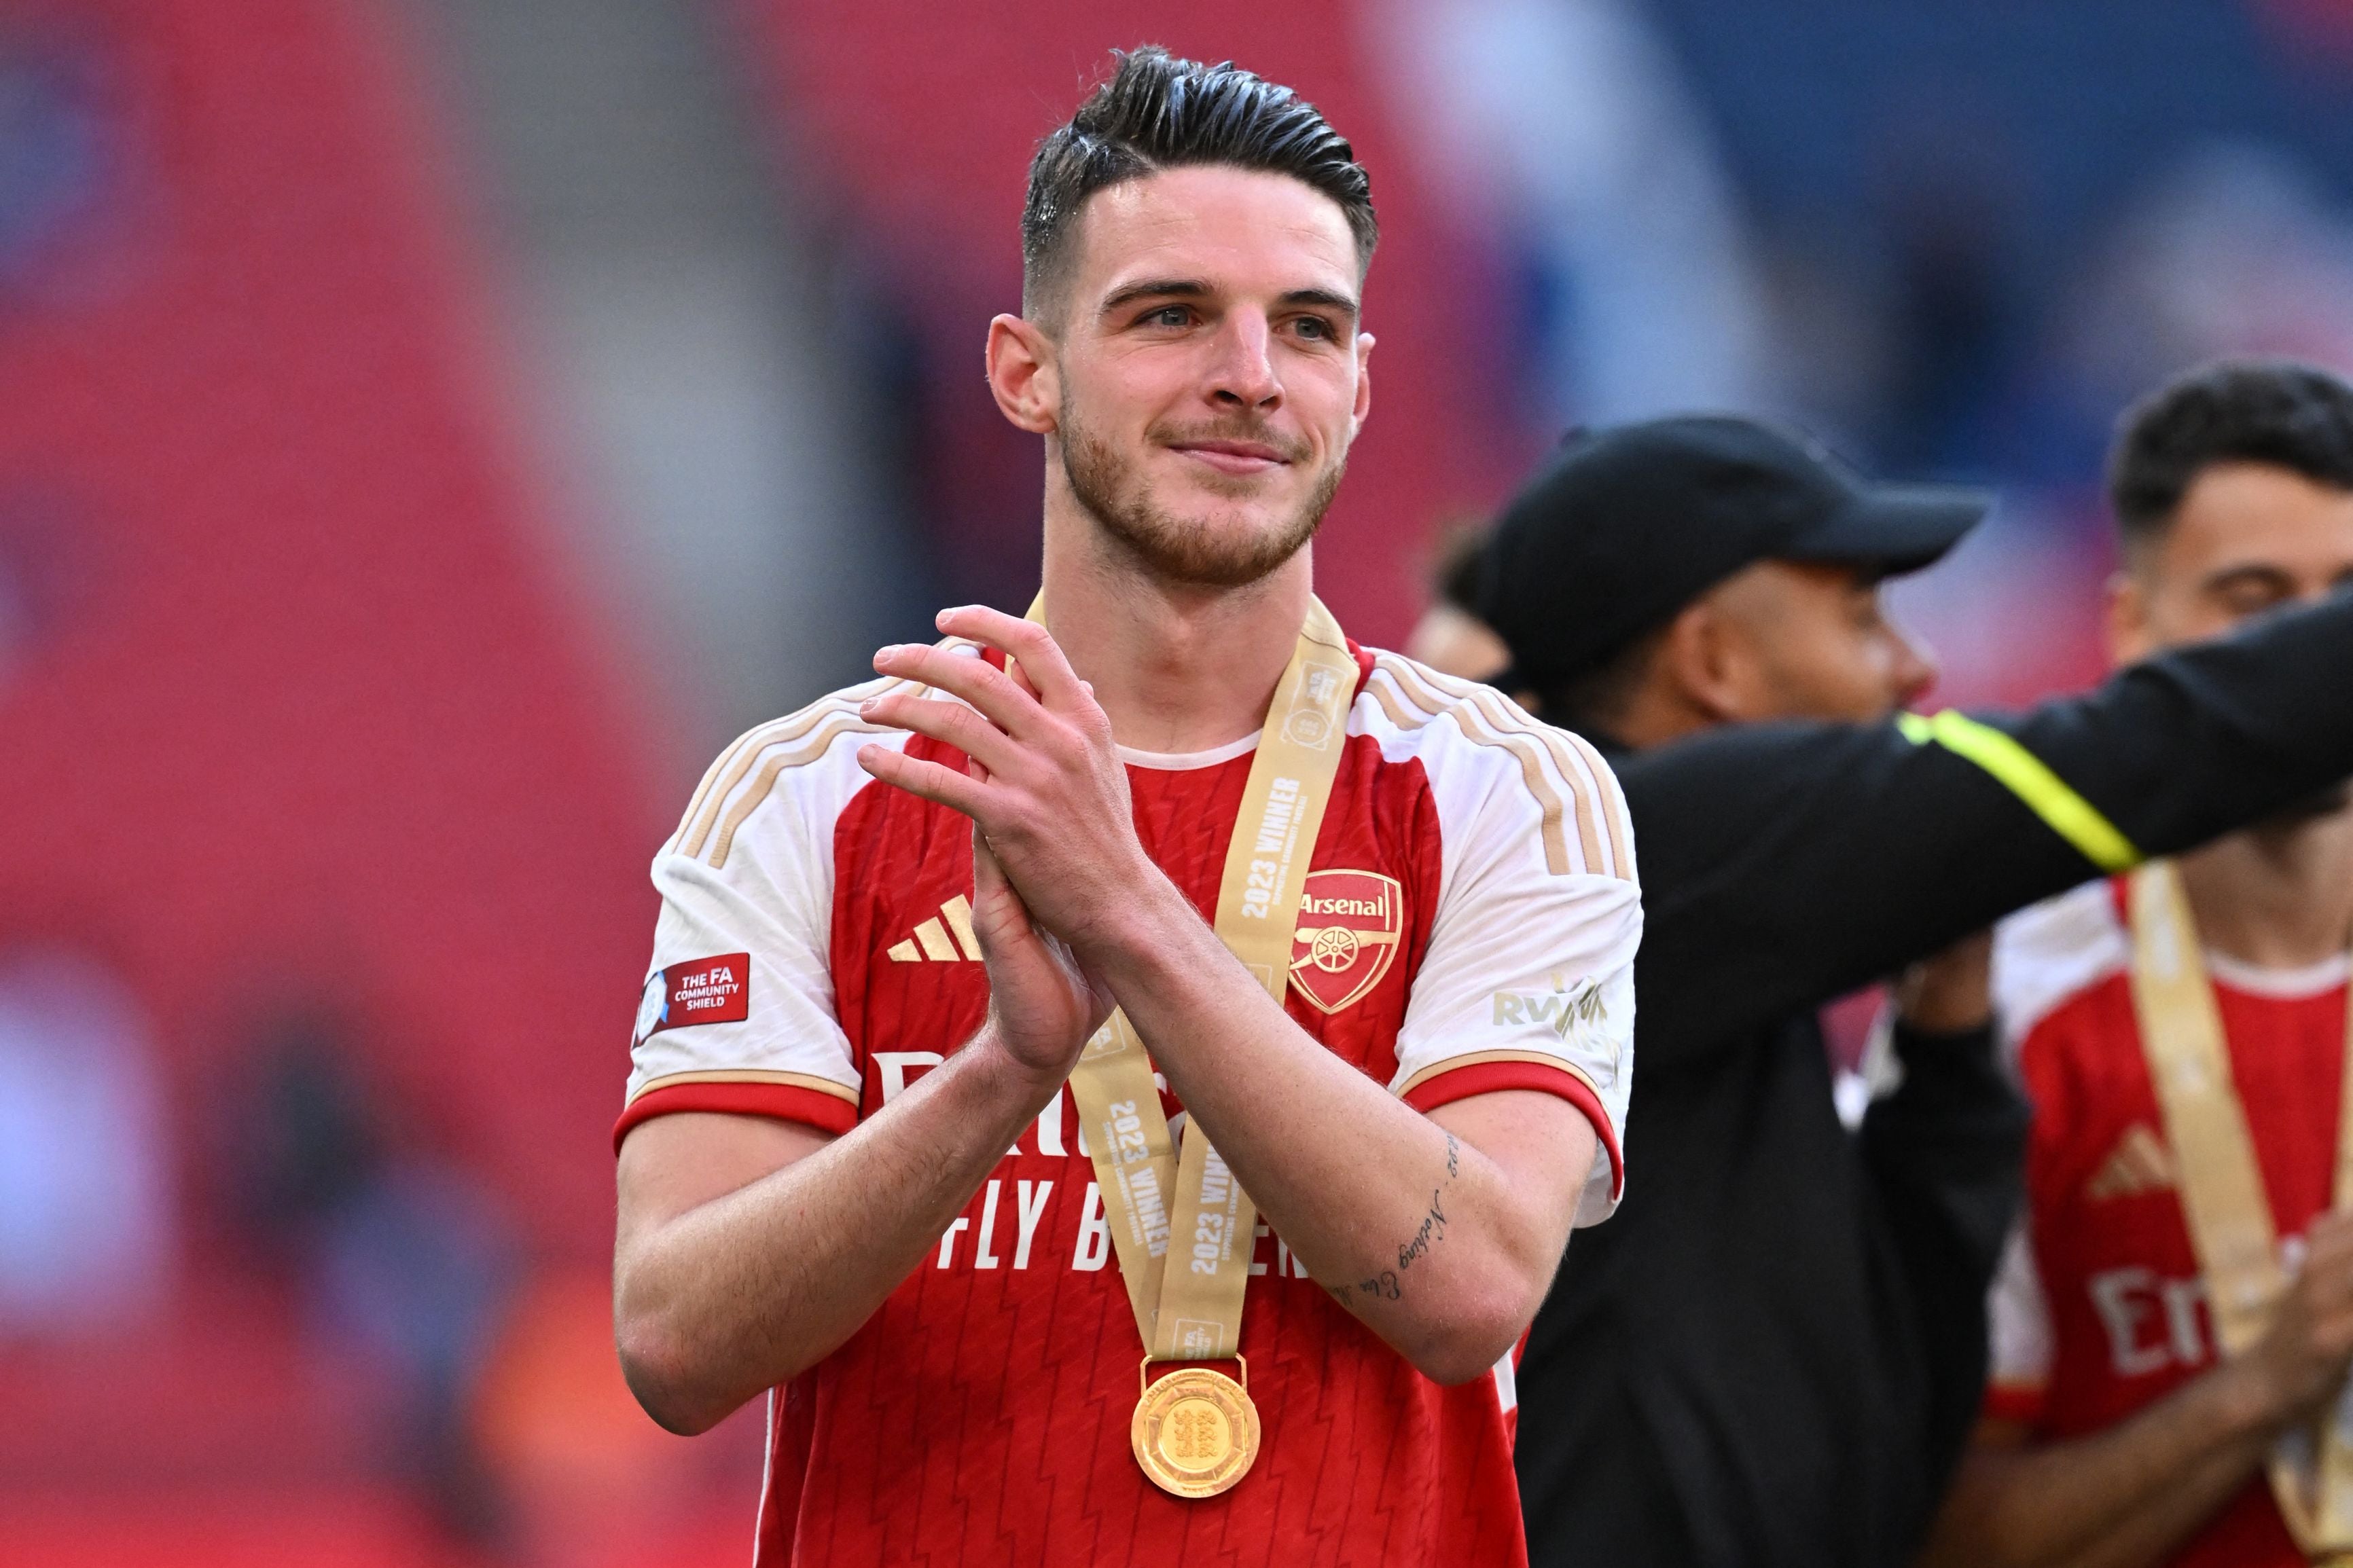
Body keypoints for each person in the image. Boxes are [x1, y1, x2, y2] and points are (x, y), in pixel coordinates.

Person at [609, 49, 1641, 1567]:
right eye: (1169, 316)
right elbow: (673, 1342)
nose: (1249, 373)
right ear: (1025, 370)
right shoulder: (813, 795)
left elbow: (1474, 1284)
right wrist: (1001, 1073)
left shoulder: (1505, 791)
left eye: (1306, 328)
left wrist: (1129, 918)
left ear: (1355, 390)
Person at [1416, 410, 2353, 1568]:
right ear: (1713, 661)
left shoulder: (1718, 953)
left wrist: (1949, 1042)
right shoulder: (1634, 848)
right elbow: (2138, 749)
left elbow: (1894, 1422)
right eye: (1861, 616)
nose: (1913, 668)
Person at [1917, 361, 2353, 1568]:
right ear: (2133, 630)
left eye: (2349, 600)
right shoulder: (1998, 1018)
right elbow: (1942, 1540)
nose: (2316, 657)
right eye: (2256, 602)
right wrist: (2269, 1379)